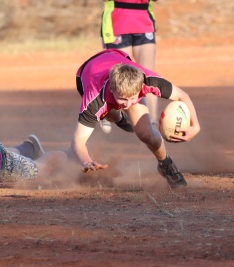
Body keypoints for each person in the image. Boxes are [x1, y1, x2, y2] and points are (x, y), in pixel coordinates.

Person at [70, 48, 200, 189]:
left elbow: (182, 96)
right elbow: (78, 140)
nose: (129, 104)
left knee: (146, 133)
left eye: (133, 98)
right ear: (112, 90)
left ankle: (165, 164)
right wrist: (86, 161)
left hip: (116, 57)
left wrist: (196, 126)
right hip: (86, 76)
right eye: (123, 99)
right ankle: (117, 117)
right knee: (108, 112)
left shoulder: (147, 79)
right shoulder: (94, 99)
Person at [99, 0, 158, 133]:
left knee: (148, 75)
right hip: (117, 23)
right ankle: (106, 110)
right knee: (120, 75)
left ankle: (152, 125)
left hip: (143, 22)